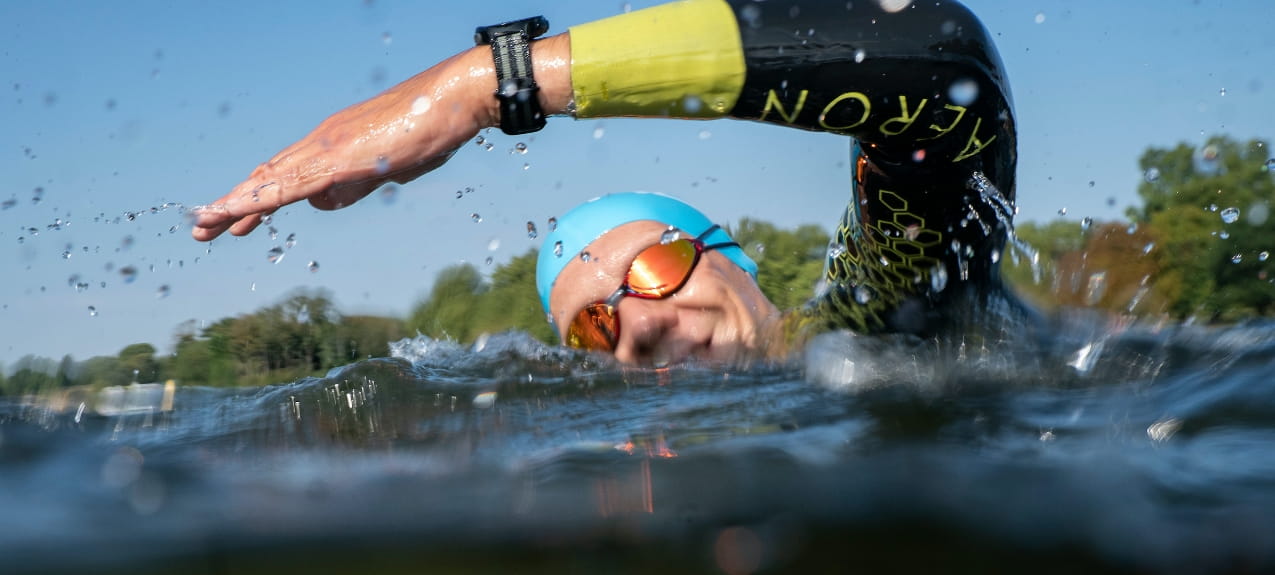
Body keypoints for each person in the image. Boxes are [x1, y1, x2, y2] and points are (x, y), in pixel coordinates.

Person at [192, 0, 1021, 366]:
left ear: (732, 253)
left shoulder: (861, 330)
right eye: (592, 328)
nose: (640, 324)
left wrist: (488, 84)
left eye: (654, 270)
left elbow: (940, 64)